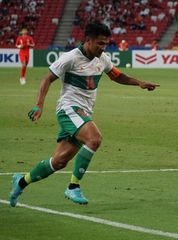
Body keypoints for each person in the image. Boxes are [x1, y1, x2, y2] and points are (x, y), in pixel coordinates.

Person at [9, 22, 160, 207]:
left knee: (58, 162)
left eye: (106, 43)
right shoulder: (70, 58)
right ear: (88, 40)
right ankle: (73, 186)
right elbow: (47, 78)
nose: (103, 47)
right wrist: (39, 104)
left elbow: (117, 75)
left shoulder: (102, 58)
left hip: (83, 112)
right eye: (100, 43)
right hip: (69, 109)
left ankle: (21, 181)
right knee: (94, 139)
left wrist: (139, 83)